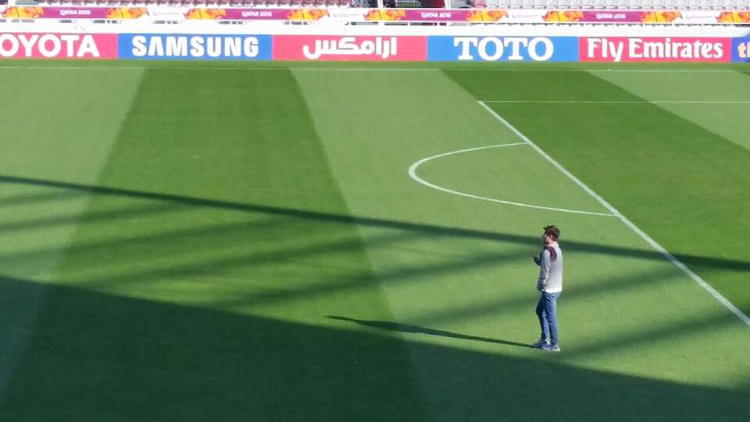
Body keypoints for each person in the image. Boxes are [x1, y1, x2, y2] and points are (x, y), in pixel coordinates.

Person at [532, 225, 563, 352]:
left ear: (550, 236)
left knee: (550, 317)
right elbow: (551, 265)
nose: (542, 236)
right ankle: (545, 339)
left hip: (549, 289)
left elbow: (544, 272)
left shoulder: (546, 252)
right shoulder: (557, 249)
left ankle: (554, 344)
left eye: (545, 234)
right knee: (540, 310)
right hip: (556, 288)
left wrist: (540, 285)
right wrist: (540, 262)